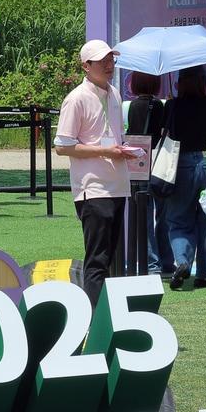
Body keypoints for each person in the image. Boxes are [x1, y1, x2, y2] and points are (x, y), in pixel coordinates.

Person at [53, 39, 134, 305]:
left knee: (110, 258)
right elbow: (62, 146)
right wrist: (104, 151)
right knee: (98, 260)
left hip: (118, 184)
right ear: (86, 66)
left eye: (112, 59)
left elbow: (112, 135)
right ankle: (92, 321)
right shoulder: (76, 98)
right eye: (103, 61)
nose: (110, 65)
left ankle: (107, 318)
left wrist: (124, 150)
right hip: (93, 188)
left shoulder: (114, 93)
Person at [162, 66, 206, 290]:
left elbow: (165, 135)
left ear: (180, 81)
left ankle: (183, 261)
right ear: (202, 81)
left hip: (181, 163)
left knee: (178, 219)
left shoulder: (172, 105)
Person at [125, 71, 172, 277]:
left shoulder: (133, 106)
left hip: (139, 163)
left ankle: (151, 262)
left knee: (143, 215)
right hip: (159, 162)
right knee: (162, 213)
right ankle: (165, 260)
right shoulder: (159, 105)